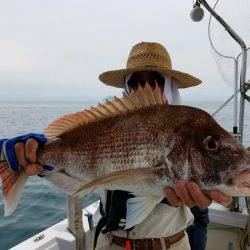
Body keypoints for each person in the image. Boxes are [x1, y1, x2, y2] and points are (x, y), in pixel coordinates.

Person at [0, 42, 232, 250]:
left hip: (171, 244)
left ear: (169, 85)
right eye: (137, 81)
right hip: (110, 243)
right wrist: (31, 155)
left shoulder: (191, 132)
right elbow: (64, 164)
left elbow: (209, 197)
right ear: (127, 86)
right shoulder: (105, 126)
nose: (145, 88)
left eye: (154, 80)